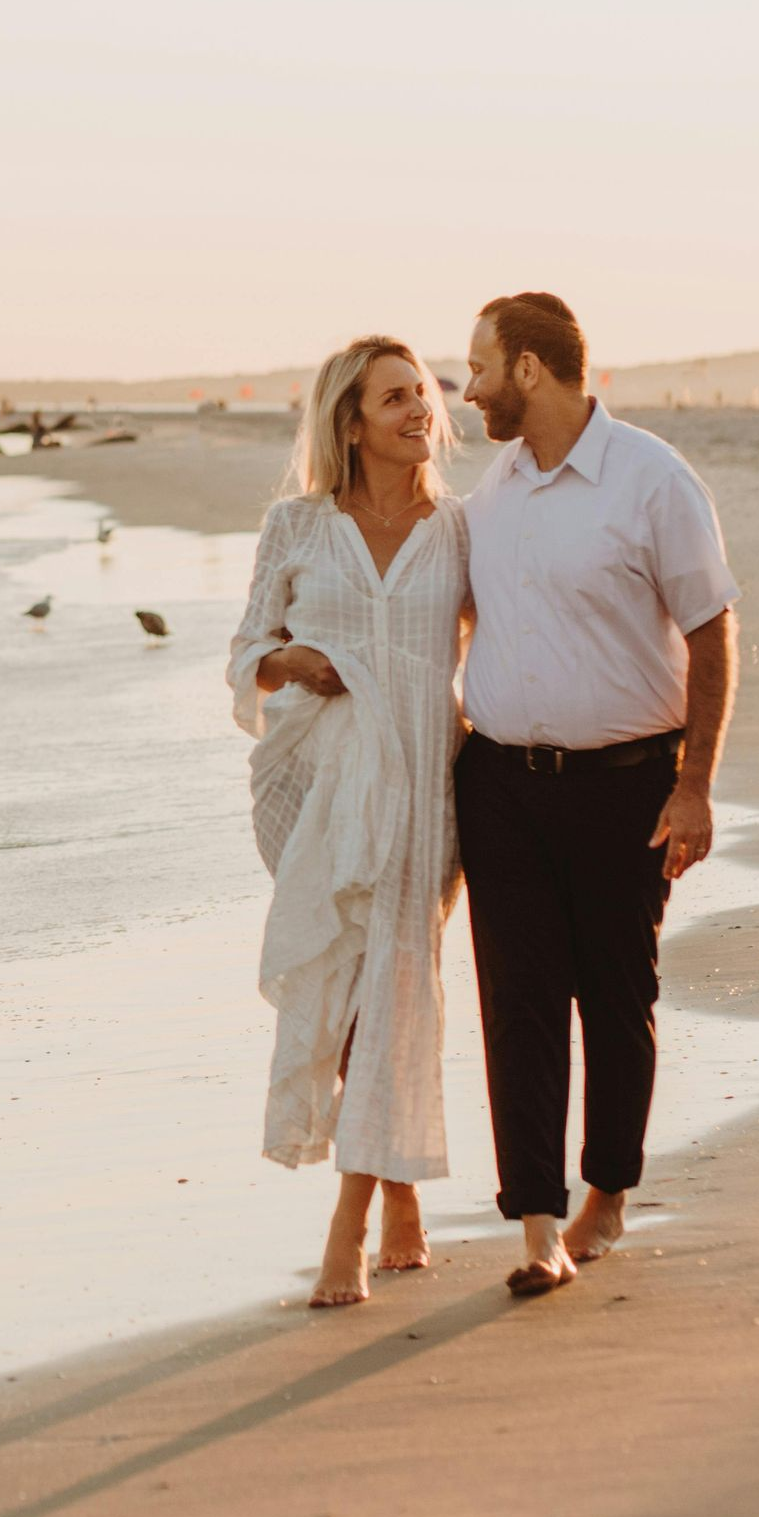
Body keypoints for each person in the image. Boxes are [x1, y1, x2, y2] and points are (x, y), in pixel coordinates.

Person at [456, 292, 740, 1297]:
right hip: (500, 786)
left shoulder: (651, 478)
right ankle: (538, 1224)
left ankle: (607, 1193)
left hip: (626, 786)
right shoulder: (490, 494)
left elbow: (710, 631)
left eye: (479, 367)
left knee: (616, 998)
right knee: (518, 1003)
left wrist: (695, 785)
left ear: (529, 368)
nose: (468, 388)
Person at [227, 337, 469, 1308]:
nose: (420, 409)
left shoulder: (458, 530)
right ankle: (400, 1193)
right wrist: (295, 661)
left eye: (423, 393)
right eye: (395, 396)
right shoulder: (295, 523)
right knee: (349, 977)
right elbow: (248, 650)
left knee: (394, 983)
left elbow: (503, 642)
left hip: (425, 783)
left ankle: (351, 1225)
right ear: (352, 421)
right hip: (314, 789)